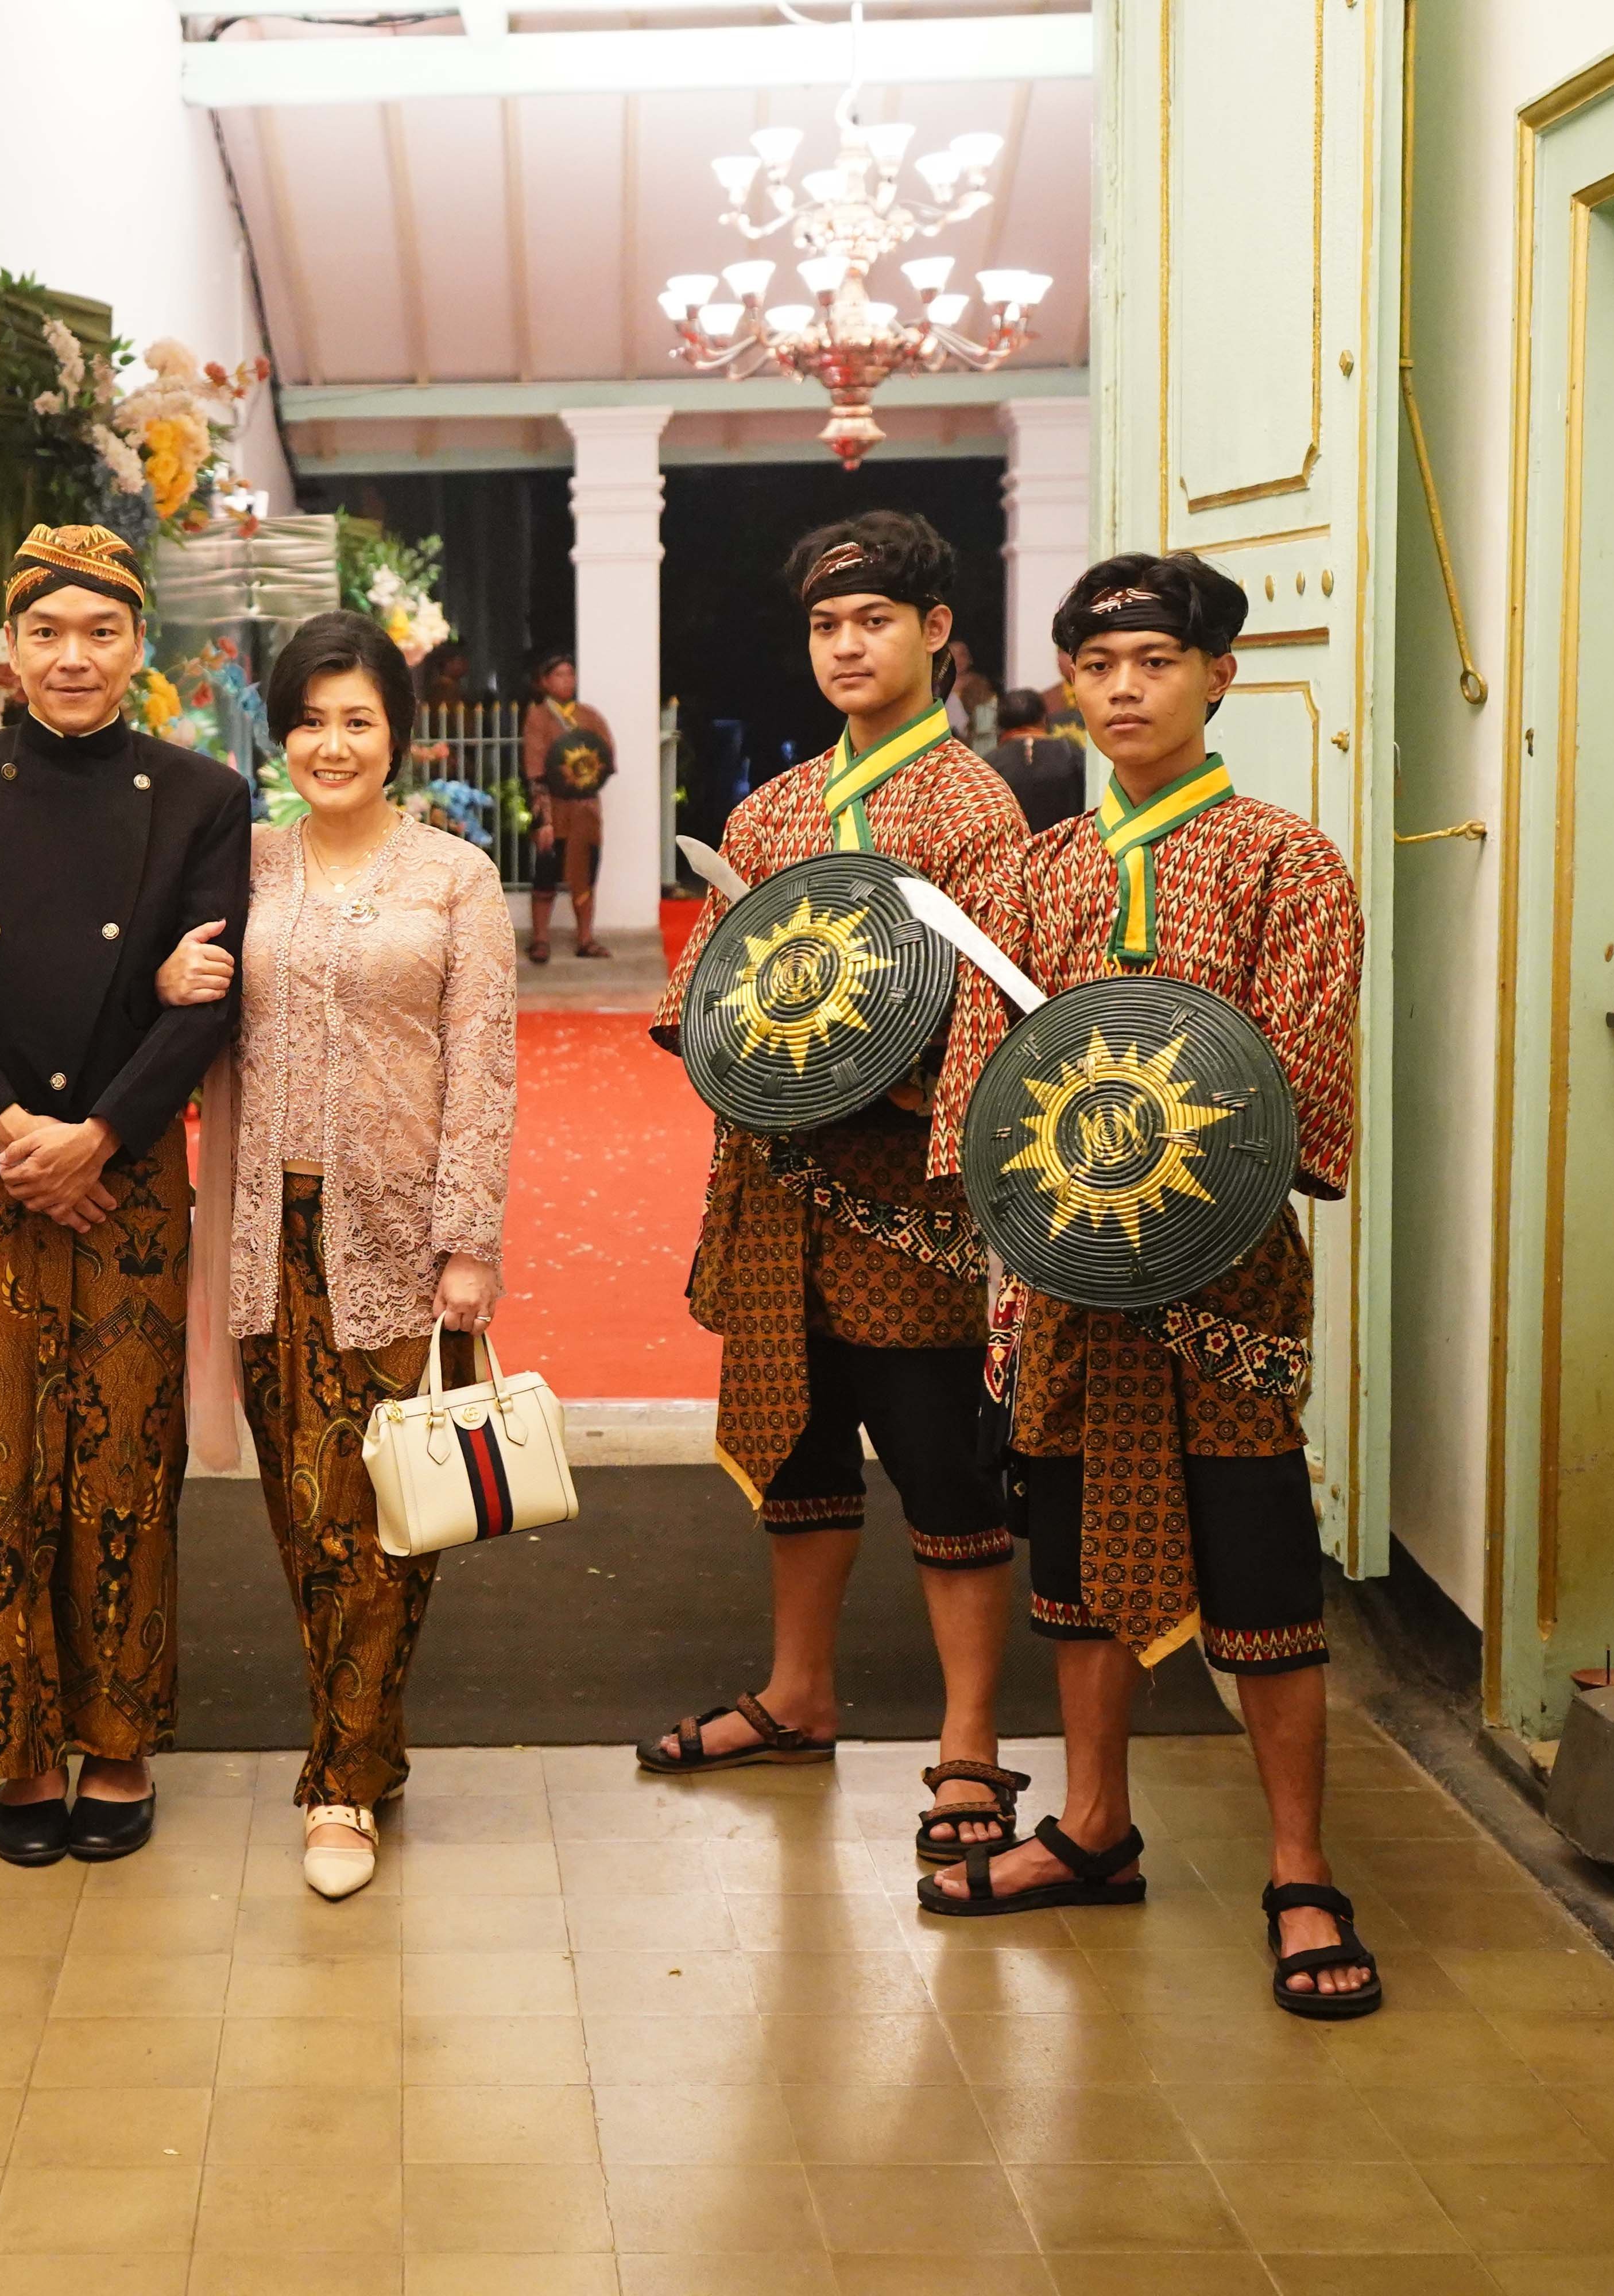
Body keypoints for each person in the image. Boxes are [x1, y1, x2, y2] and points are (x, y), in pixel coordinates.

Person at [924, 551, 1378, 2019]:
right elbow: (978, 1085)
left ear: (1215, 676)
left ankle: (1298, 1866)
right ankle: (1095, 1823)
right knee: (1068, 1553)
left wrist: (1167, 1162)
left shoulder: (1281, 862)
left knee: (1257, 1562)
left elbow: (1298, 1082)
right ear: (1068, 684)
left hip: (1221, 1284)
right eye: (1097, 665)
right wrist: (1011, 1198)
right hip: (1061, 1288)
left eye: (1155, 661)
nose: (1122, 688)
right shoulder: (1031, 873)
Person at [642, 513, 1035, 1871]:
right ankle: (798, 1690)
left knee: (940, 1468)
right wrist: (715, 1031)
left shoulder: (977, 811)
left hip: (911, 1202)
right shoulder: (767, 810)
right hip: (775, 1191)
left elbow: (992, 1014)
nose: (846, 645)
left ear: (934, 633)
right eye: (823, 625)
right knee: (793, 1449)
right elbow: (698, 995)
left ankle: (971, 1738)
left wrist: (884, 1076)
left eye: (872, 620)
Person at [0, 524, 253, 1864]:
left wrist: (98, 1135)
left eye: (101, 633)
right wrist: (12, 1133)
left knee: (121, 1466)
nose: (74, 657)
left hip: (130, 1172)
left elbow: (212, 989)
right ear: (8, 655)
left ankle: (116, 1742)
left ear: (137, 649)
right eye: (48, 633)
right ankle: (16, 1743)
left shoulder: (201, 794)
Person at [155, 612, 514, 1901]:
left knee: (383, 1520)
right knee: (305, 1513)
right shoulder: (242, 865)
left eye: (356, 718)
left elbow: (483, 1069)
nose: (329, 742)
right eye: (307, 718)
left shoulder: (454, 878)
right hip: (262, 1229)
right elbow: (184, 996)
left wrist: (466, 1243)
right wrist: (173, 973)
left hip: (398, 1234)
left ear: (399, 737)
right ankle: (365, 1737)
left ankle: (342, 1778)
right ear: (278, 731)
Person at [520, 650, 616, 963]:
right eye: (559, 675)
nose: (567, 681)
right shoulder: (538, 716)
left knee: (586, 874)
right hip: (554, 808)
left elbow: (605, 760)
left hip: (585, 809)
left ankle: (585, 939)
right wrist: (542, 817)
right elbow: (535, 769)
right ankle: (540, 940)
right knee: (546, 873)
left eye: (570, 674)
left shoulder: (590, 716)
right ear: (545, 681)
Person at [985, 687, 1087, 835]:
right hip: (1065, 852)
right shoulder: (1071, 754)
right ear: (1044, 719)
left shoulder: (987, 765)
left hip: (1011, 855)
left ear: (999, 725)